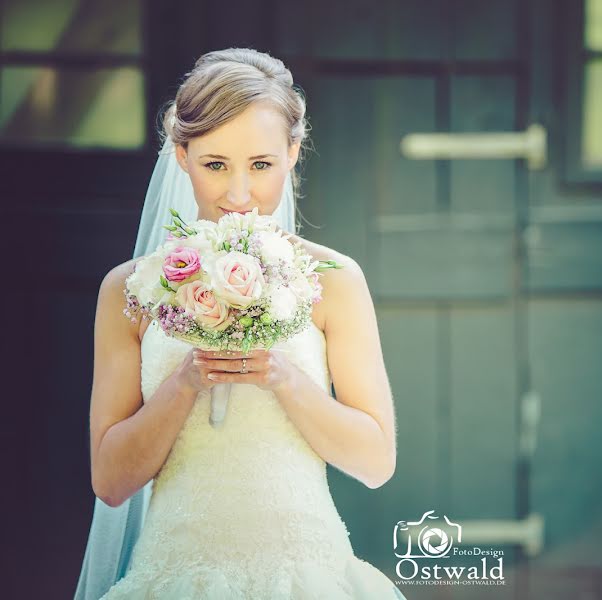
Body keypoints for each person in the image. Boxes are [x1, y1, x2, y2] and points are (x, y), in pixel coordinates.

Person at [75, 48, 407, 599]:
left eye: (260, 165)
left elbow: (375, 462)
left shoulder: (335, 280)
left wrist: (282, 377)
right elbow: (110, 482)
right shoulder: (128, 292)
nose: (237, 194)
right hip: (174, 574)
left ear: (293, 153)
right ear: (181, 155)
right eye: (214, 165)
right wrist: (186, 381)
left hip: (307, 576)